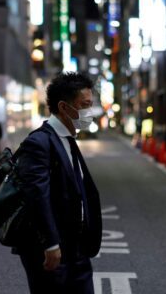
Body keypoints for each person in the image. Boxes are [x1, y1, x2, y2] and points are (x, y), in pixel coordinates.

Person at [14, 72, 102, 294]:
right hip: (50, 250)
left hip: (76, 247)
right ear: (64, 107)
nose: (89, 112)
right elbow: (36, 195)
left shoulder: (68, 140)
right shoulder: (39, 142)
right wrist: (51, 243)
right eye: (84, 105)